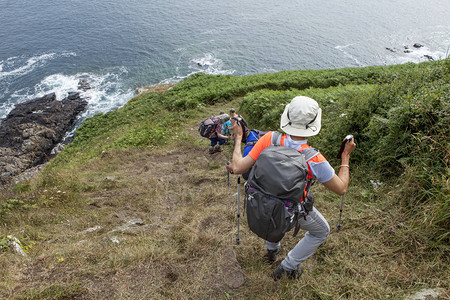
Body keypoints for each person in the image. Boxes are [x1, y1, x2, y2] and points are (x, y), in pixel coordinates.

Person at [226, 96, 356, 280]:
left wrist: (238, 138)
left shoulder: (269, 139)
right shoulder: (314, 158)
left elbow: (238, 167)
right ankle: (287, 266)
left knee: (274, 210)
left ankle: (272, 252)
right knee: (321, 231)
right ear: (313, 125)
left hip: (262, 203)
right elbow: (341, 188)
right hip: (291, 209)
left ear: (287, 118)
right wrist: (345, 157)